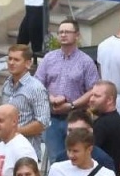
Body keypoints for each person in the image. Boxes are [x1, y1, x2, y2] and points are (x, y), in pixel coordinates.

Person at [36, 20, 100, 164]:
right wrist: (50, 97)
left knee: (76, 157)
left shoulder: (86, 62)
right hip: (51, 117)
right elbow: (37, 84)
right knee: (56, 159)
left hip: (75, 118)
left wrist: (72, 105)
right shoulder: (49, 58)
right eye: (60, 32)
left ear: (77, 35)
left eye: (67, 32)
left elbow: (93, 90)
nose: (63, 35)